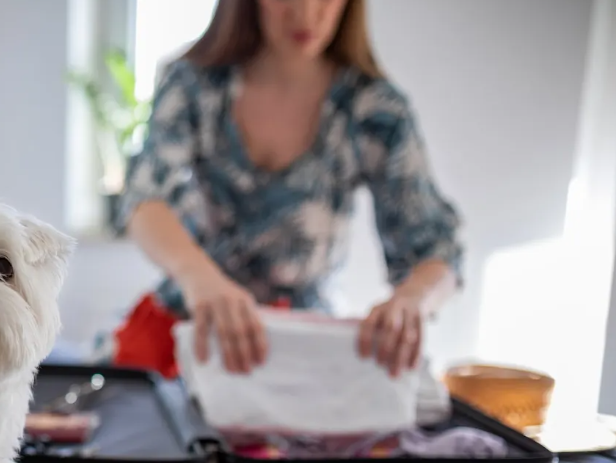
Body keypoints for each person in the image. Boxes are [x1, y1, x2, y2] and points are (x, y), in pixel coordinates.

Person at [112, 0, 462, 380]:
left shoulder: (374, 108)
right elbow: (144, 199)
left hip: (302, 353)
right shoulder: (193, 84)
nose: (307, 14)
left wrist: (413, 301)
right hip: (187, 334)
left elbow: (437, 251)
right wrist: (197, 276)